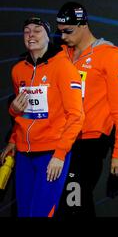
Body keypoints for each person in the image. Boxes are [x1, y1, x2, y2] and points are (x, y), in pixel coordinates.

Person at [54, 2, 118, 217]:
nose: (63, 36)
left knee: (75, 200)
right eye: (60, 32)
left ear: (83, 25)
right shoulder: (61, 54)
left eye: (68, 31)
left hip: (90, 141)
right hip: (60, 138)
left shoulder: (110, 56)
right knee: (63, 203)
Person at [0, 17, 84, 217]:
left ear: (48, 36)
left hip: (50, 153)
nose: (31, 35)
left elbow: (76, 116)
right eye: (27, 31)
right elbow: (21, 114)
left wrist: (59, 155)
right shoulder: (18, 70)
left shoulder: (64, 67)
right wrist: (13, 122)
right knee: (24, 213)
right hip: (24, 155)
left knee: (41, 213)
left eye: (37, 30)